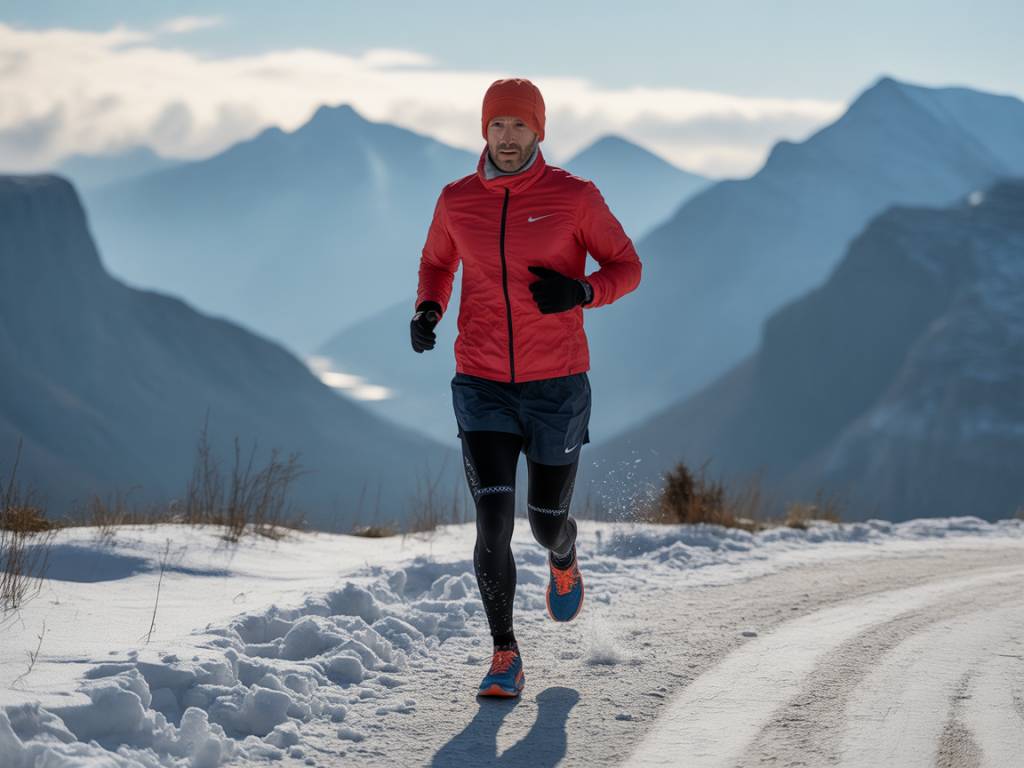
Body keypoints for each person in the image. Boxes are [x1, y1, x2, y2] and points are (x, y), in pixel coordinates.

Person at [410, 77, 642, 698]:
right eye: (497, 125)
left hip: (556, 385)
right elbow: (438, 262)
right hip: (481, 382)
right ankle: (504, 653)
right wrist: (429, 308)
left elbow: (627, 267)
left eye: (519, 125)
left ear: (539, 130)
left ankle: (563, 557)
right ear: (483, 130)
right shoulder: (457, 200)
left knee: (543, 523)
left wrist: (583, 291)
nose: (507, 137)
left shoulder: (574, 197)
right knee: (492, 520)